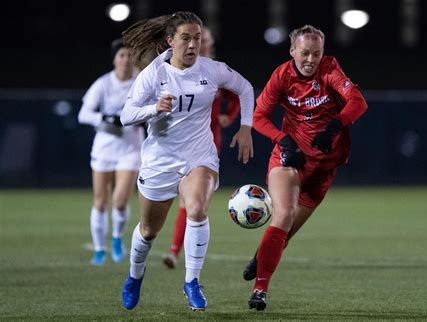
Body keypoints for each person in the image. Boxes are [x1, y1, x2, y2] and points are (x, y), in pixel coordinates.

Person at [119, 11, 254, 311]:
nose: (193, 45)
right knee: (148, 230)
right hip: (159, 160)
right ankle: (134, 275)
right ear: (170, 41)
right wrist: (153, 108)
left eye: (197, 38)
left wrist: (246, 127)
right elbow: (126, 116)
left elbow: (245, 88)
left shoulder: (211, 69)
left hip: (199, 155)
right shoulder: (153, 74)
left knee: (196, 208)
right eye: (186, 38)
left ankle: (192, 281)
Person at [244, 25, 368, 311]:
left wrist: (335, 124)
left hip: (324, 167)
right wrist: (284, 141)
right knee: (284, 214)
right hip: (290, 158)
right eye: (304, 53)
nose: (310, 59)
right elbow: (259, 116)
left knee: (285, 233)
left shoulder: (329, 70)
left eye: (316, 53)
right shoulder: (282, 75)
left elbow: (357, 102)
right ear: (292, 51)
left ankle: (261, 255)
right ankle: (260, 289)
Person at [162, 26, 241, 269]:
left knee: (193, 205)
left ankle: (178, 253)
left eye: (203, 40)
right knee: (186, 204)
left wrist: (230, 115)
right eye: (195, 39)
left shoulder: (215, 72)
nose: (198, 44)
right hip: (174, 147)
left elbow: (238, 94)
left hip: (206, 144)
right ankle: (177, 251)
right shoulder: (173, 69)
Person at [78, 39, 144, 266]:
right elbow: (83, 114)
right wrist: (105, 118)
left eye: (129, 55)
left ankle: (116, 238)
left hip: (130, 148)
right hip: (104, 147)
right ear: (115, 59)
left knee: (120, 200)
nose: (125, 59)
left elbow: (152, 109)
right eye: (121, 55)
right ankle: (99, 250)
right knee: (100, 201)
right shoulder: (104, 83)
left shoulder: (140, 82)